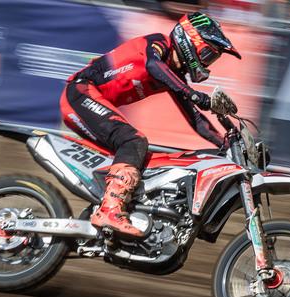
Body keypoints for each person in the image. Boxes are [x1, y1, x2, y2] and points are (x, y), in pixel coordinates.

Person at [60, 11, 241, 237]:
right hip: (81, 92)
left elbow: (197, 121)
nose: (207, 62)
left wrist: (225, 142)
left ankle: (117, 212)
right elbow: (153, 65)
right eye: (207, 54)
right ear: (190, 40)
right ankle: (109, 210)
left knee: (141, 159)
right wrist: (192, 93)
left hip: (88, 99)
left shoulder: (173, 75)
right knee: (133, 141)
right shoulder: (159, 43)